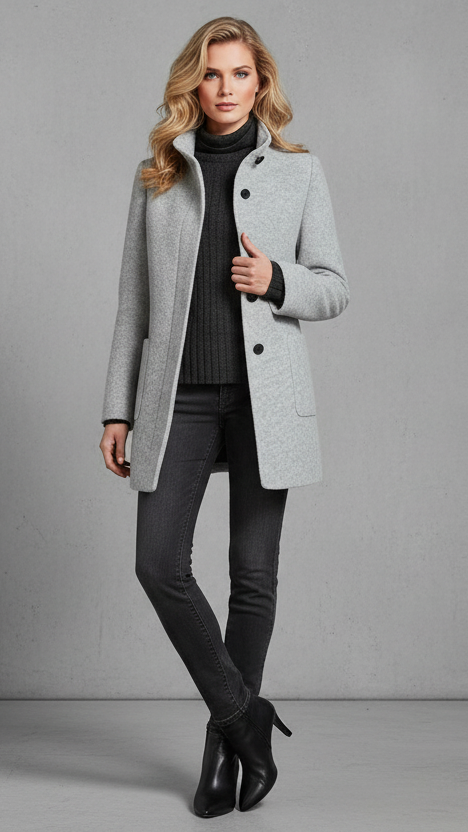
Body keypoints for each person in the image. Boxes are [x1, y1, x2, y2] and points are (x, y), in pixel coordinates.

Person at [99, 16, 349, 818]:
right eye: (213, 74)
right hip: (177, 396)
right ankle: (245, 720)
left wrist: (277, 280)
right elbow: (133, 304)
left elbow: (334, 286)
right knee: (158, 563)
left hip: (263, 400)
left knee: (252, 577)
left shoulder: (299, 173)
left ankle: (222, 757)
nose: (227, 88)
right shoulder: (158, 175)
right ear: (193, 85)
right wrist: (117, 409)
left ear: (261, 82)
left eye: (241, 73)